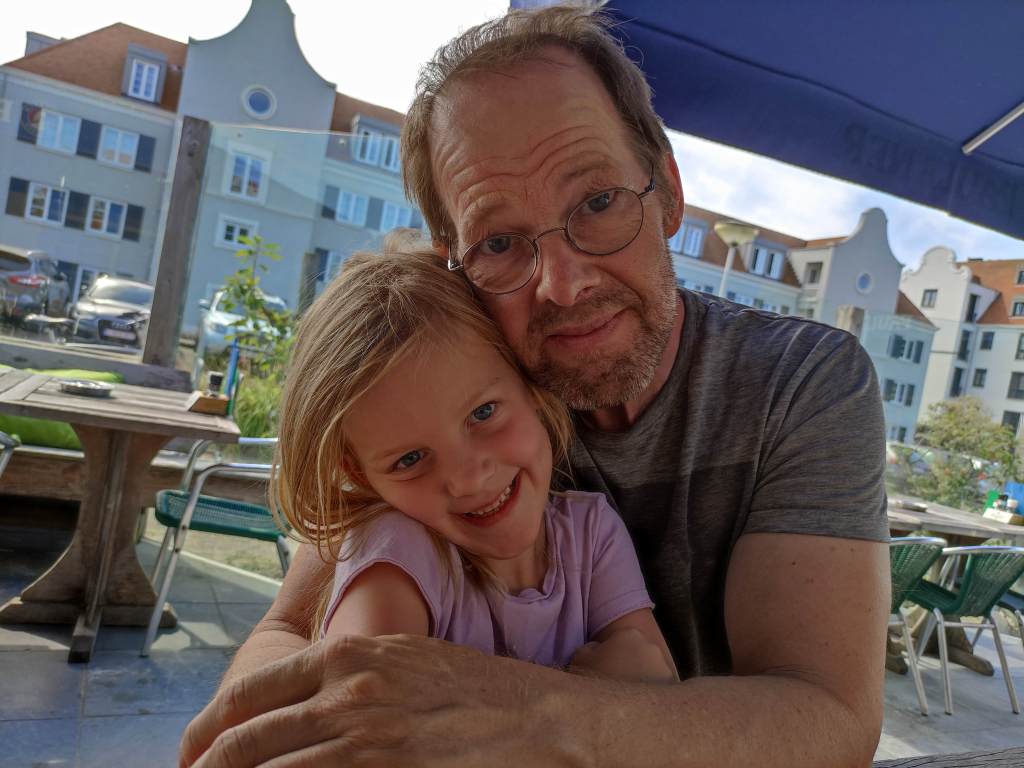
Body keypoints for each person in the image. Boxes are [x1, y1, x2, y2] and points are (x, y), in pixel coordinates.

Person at [181, 6, 890, 767]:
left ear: (669, 192)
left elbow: (828, 718)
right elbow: (291, 632)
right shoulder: (462, 372)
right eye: (499, 241)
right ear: (455, 261)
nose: (563, 284)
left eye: (597, 202)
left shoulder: (800, 382)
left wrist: (523, 713)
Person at [274, 241, 677, 682]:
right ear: (362, 476)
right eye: (410, 459)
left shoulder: (592, 535)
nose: (468, 479)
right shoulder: (397, 549)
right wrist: (598, 698)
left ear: (530, 385)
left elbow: (662, 692)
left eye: (483, 413)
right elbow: (365, 707)